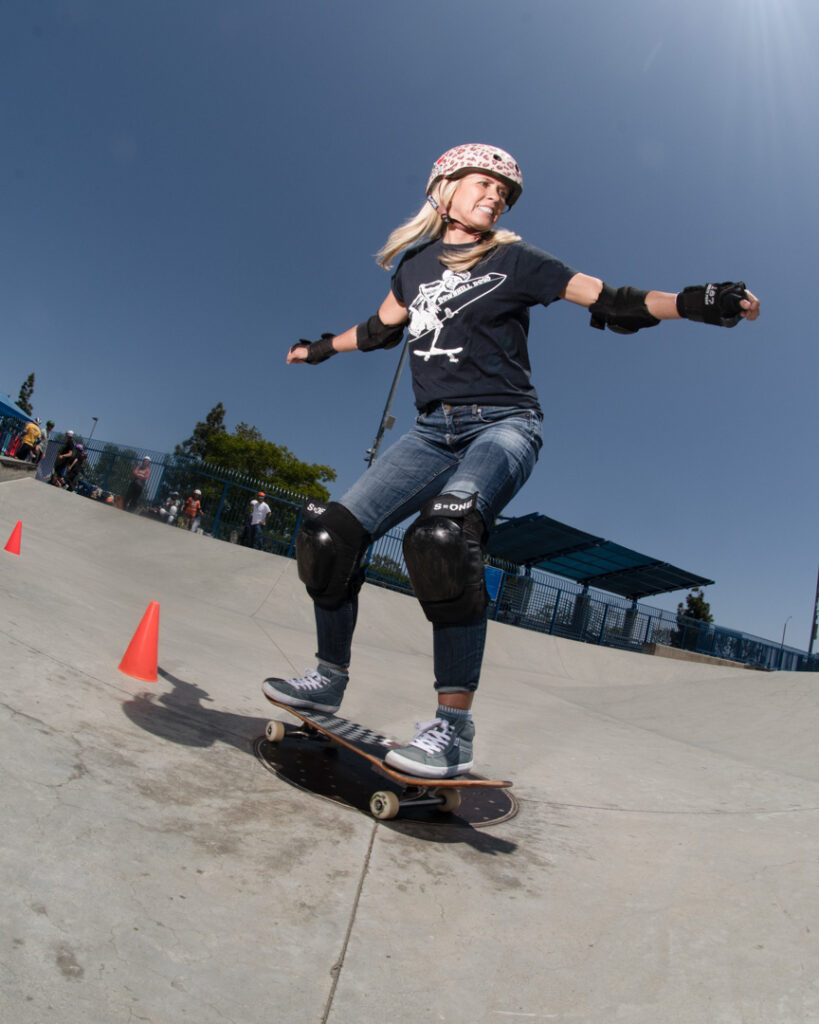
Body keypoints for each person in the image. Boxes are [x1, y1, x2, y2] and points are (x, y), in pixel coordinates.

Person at [262, 143, 760, 779]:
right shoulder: (413, 271)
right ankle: (328, 678)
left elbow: (609, 298)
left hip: (504, 425)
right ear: (441, 189)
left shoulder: (518, 260)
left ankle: (452, 729)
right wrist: (319, 350)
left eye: (504, 192)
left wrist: (693, 302)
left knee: (443, 538)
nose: (495, 197)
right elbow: (377, 330)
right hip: (427, 435)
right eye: (483, 184)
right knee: (329, 536)